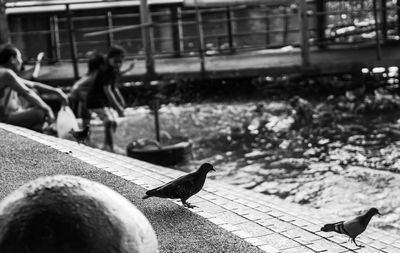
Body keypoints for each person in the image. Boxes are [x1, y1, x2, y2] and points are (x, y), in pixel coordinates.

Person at [0, 43, 69, 132]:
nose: (21, 61)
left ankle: (38, 129)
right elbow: (27, 92)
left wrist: (57, 91)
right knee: (40, 112)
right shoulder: (6, 73)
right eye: (19, 57)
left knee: (35, 97)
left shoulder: (5, 73)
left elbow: (33, 85)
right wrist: (48, 110)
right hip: (4, 119)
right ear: (12, 59)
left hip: (12, 113)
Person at [86, 45, 129, 151]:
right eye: (116, 61)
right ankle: (109, 147)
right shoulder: (106, 70)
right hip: (94, 101)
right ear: (109, 58)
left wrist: (121, 101)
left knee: (113, 122)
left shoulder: (113, 70)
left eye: (120, 62)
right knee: (109, 121)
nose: (118, 64)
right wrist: (118, 107)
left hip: (103, 101)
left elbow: (114, 88)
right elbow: (108, 90)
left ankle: (109, 144)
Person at [69, 51, 105, 128]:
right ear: (101, 65)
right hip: (81, 98)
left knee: (86, 120)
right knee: (86, 119)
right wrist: (83, 98)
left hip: (82, 98)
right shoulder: (94, 76)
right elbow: (76, 88)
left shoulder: (92, 74)